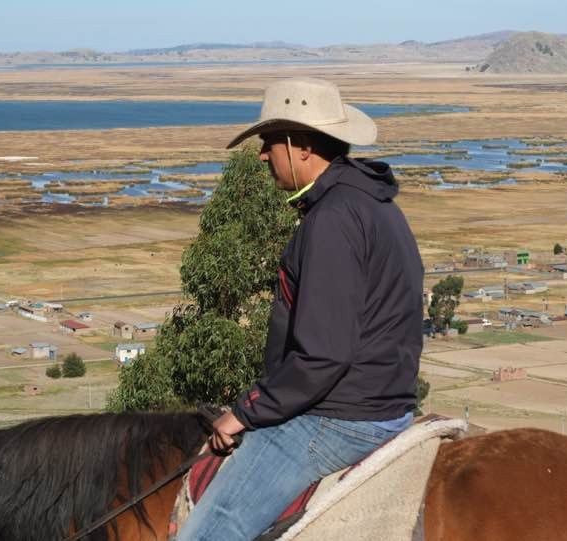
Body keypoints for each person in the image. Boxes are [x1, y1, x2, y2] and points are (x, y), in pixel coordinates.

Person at [176, 78, 423, 541]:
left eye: (270, 142)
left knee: (206, 533)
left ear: (302, 146)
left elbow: (322, 355)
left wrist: (244, 413)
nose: (262, 156)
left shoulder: (332, 220)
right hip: (385, 402)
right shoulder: (376, 204)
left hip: (340, 418)